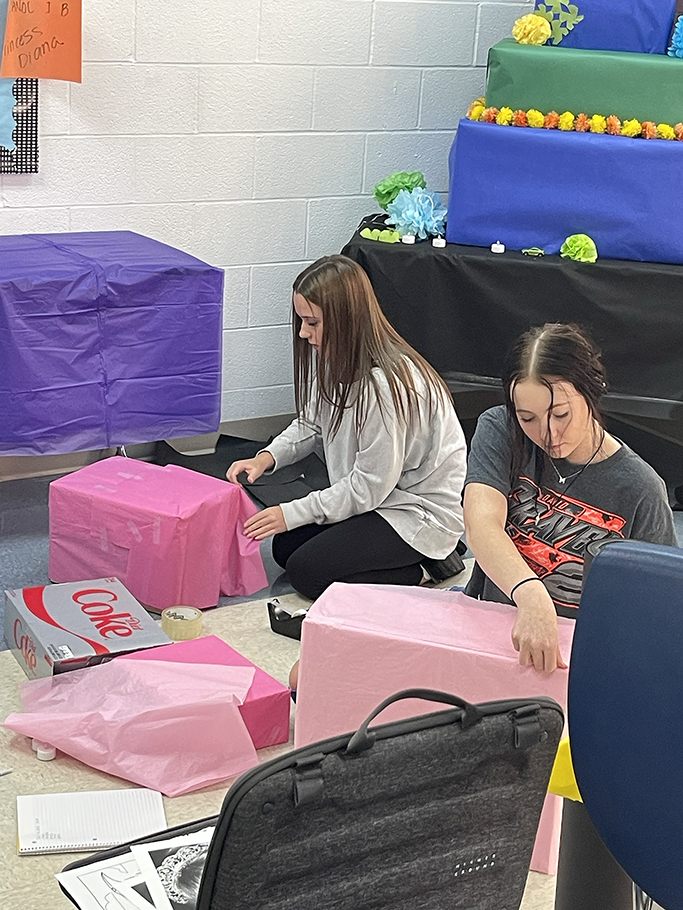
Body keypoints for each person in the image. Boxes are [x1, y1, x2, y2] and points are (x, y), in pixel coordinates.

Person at [226, 254, 468, 602]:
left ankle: (428, 567)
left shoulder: (385, 386)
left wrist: (291, 511)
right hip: (381, 500)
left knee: (307, 574)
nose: (302, 333)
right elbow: (312, 423)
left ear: (345, 321)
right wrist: (266, 457)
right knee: (285, 547)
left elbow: (367, 487)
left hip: (414, 512)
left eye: (312, 322)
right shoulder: (337, 357)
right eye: (301, 321)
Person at [463, 322, 677, 674]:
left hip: (578, 659)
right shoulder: (501, 430)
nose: (547, 433)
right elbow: (481, 523)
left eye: (560, 414)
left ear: (592, 391)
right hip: (492, 632)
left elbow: (656, 602)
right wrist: (530, 595)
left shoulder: (640, 488)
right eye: (527, 417)